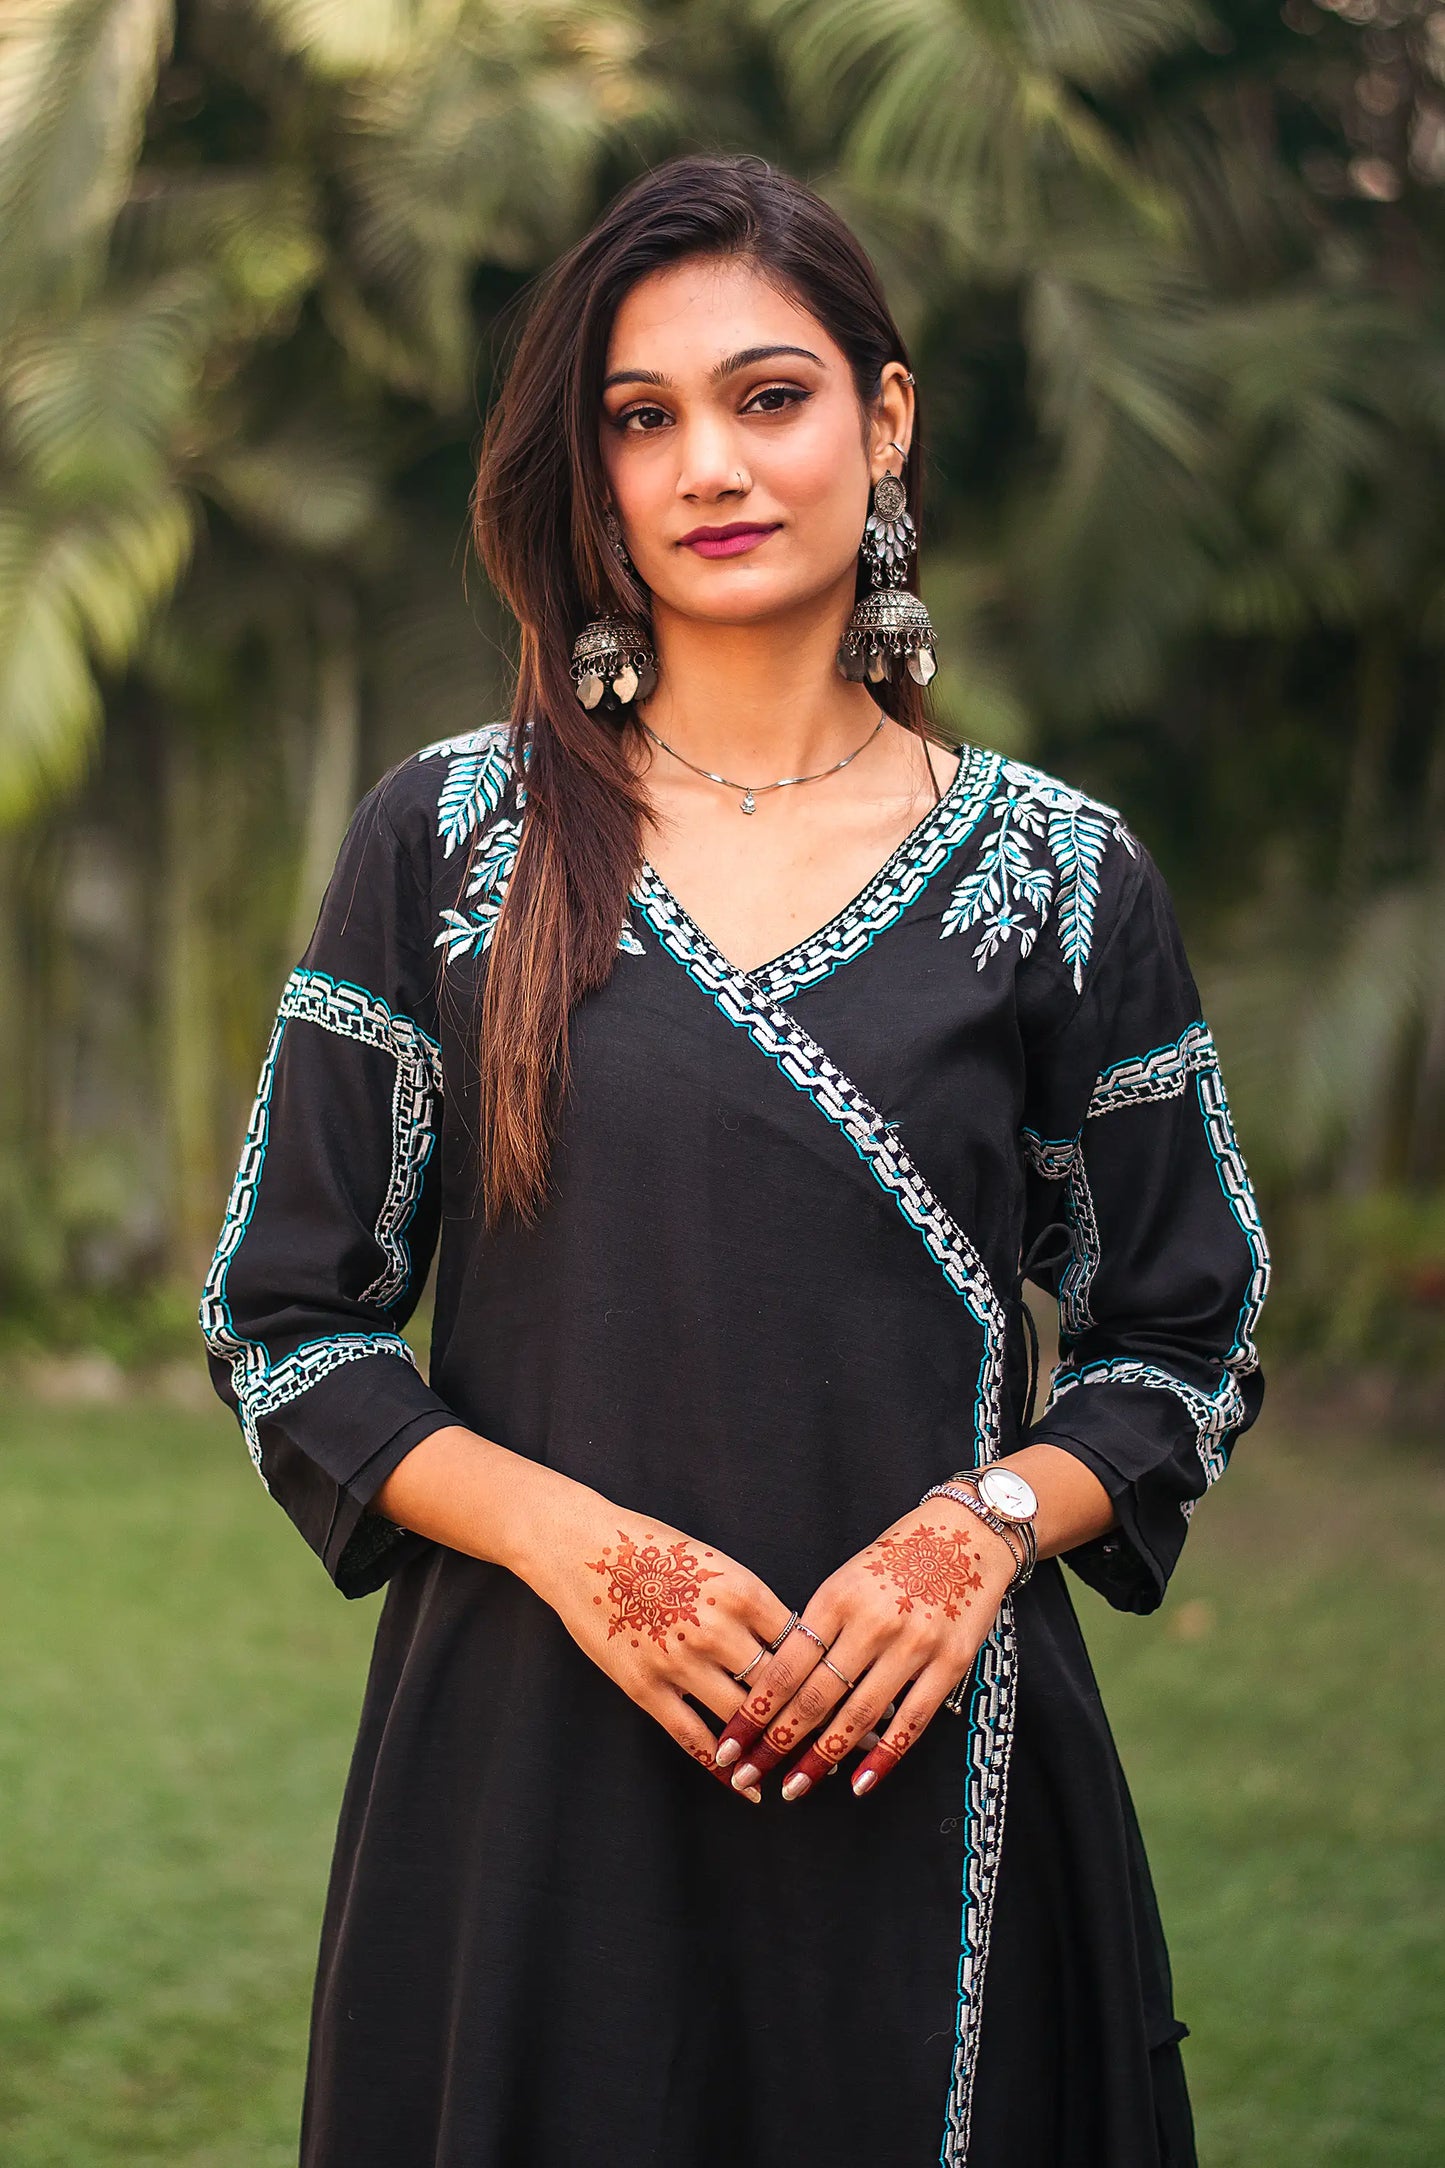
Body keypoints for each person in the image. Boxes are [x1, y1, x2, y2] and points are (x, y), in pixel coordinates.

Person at [201, 151, 1268, 2168]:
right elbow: (283, 1310)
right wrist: (580, 1551)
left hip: (934, 1768)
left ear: (884, 420)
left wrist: (984, 1529)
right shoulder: (452, 844)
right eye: (643, 417)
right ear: (593, 475)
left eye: (769, 397)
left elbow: (1187, 1333)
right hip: (527, 1790)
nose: (711, 460)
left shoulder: (1060, 877)